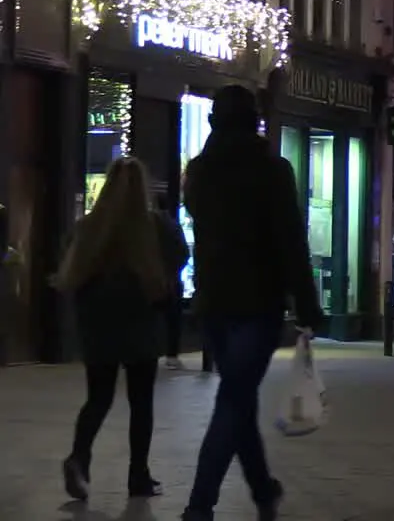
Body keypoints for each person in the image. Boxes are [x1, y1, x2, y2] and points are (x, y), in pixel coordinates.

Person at [180, 85, 323, 521]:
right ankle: (199, 505)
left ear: (213, 123)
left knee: (237, 397)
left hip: (213, 303)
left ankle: (264, 491)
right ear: (256, 120)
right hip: (257, 303)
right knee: (234, 399)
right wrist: (307, 303)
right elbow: (290, 240)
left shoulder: (199, 172)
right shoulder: (272, 170)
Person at [55, 158, 173, 500]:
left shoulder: (88, 227)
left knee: (98, 398)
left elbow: (71, 268)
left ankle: (79, 458)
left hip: (98, 326)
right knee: (141, 403)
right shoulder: (155, 227)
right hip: (142, 325)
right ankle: (139, 476)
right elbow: (177, 259)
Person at [153, 194, 191, 371]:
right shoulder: (173, 226)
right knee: (172, 320)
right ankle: (172, 356)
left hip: (148, 280)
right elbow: (184, 253)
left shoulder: (142, 226)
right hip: (171, 281)